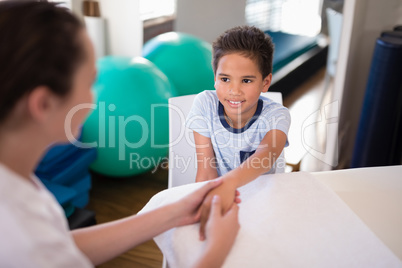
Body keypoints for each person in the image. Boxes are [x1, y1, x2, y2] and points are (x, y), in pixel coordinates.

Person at [0, 1, 239, 267]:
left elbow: (58, 247)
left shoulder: (15, 180)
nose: (93, 98)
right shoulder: (15, 236)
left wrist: (172, 213)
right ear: (43, 104)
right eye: (91, 82)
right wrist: (217, 248)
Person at [186, 26, 291, 239]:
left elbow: (266, 156)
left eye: (246, 80)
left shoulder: (277, 115)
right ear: (215, 78)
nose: (234, 90)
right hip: (221, 198)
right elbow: (206, 170)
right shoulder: (205, 104)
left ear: (265, 82)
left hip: (264, 202)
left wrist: (227, 185)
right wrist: (206, 205)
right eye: (225, 79)